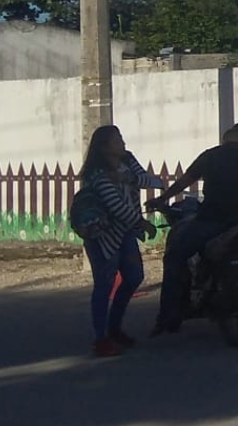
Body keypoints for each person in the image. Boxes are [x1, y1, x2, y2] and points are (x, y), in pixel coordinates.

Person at [147, 127, 238, 336]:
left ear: (225, 140)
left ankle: (168, 316)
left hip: (211, 222)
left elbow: (184, 181)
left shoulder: (211, 156)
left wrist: (162, 199)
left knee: (175, 256)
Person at [78, 125, 162, 357]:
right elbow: (116, 206)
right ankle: (101, 337)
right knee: (104, 285)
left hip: (124, 233)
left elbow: (148, 180)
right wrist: (142, 223)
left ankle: (114, 326)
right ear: (104, 147)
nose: (122, 144)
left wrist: (128, 176)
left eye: (121, 139)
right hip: (103, 235)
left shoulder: (127, 161)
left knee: (134, 276)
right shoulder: (96, 174)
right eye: (116, 141)